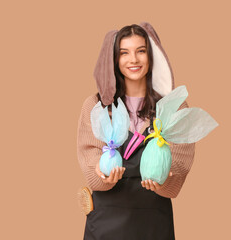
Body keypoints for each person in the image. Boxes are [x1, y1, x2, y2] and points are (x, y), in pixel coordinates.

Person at [77, 22, 195, 240]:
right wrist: (102, 174)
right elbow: (89, 159)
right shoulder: (96, 107)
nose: (133, 60)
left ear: (152, 57)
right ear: (114, 59)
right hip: (105, 223)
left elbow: (179, 167)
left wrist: (165, 181)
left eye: (141, 51)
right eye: (124, 53)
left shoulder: (173, 108)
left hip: (153, 223)